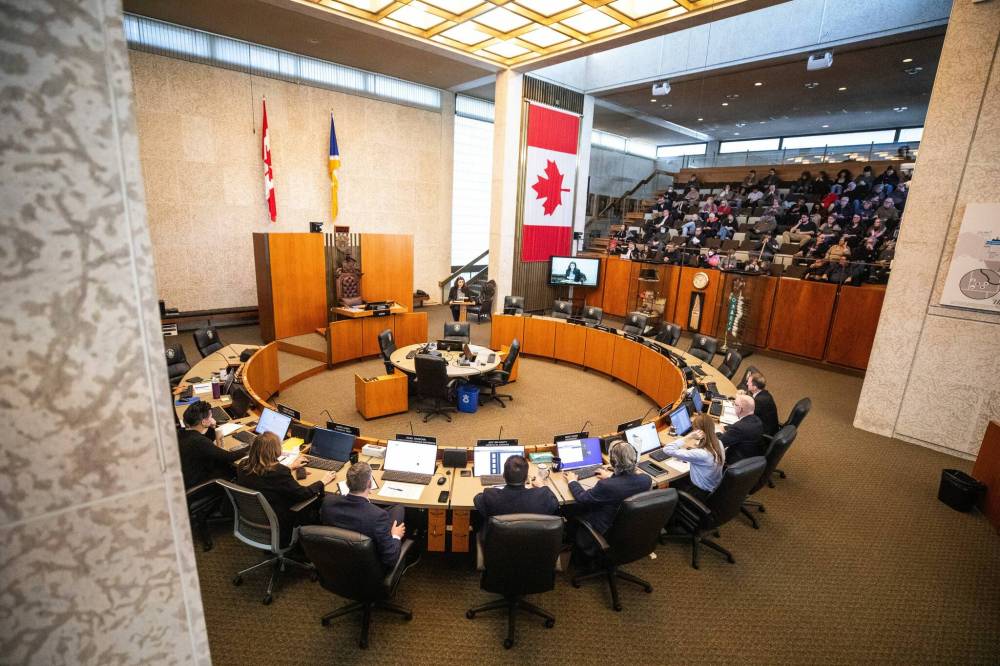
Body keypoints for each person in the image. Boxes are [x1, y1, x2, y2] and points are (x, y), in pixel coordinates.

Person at [236, 432, 332, 544]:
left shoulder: (243, 465)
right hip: (279, 519)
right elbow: (302, 494)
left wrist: (290, 467)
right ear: (275, 451)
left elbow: (264, 475)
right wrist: (322, 481)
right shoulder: (279, 472)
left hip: (254, 515)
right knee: (319, 500)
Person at [565, 440, 651, 559]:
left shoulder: (606, 486)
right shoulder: (646, 480)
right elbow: (626, 483)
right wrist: (611, 476)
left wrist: (572, 481)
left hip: (604, 530)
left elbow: (582, 497)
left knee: (570, 509)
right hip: (626, 528)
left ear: (613, 462)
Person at [320, 462, 406, 571]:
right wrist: (396, 536)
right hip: (369, 569)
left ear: (347, 483)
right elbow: (390, 559)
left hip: (336, 561)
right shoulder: (378, 517)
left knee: (396, 509)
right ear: (369, 484)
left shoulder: (328, 502)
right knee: (398, 509)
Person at [473, 455, 559, 541]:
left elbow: (477, 499)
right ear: (526, 478)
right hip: (534, 545)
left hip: (500, 546)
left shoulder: (490, 496)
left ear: (503, 476)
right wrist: (542, 486)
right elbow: (555, 503)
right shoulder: (543, 497)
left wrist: (496, 491)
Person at [177, 399, 245, 489]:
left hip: (183, 478)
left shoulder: (181, 432)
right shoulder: (199, 441)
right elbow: (229, 457)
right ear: (203, 422)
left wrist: (212, 427)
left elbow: (207, 441)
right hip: (196, 484)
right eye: (210, 417)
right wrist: (251, 446)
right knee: (231, 469)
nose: (212, 419)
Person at [660, 413, 725, 502]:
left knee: (672, 480)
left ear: (698, 431)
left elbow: (667, 449)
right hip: (712, 488)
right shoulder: (719, 443)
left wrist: (688, 437)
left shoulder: (701, 454)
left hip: (698, 493)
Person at [719, 394, 764, 464]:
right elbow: (744, 430)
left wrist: (716, 432)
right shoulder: (757, 420)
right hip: (751, 456)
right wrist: (727, 428)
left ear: (740, 409)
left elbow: (719, 443)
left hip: (736, 461)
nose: (733, 406)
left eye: (735, 404)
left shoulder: (739, 427)